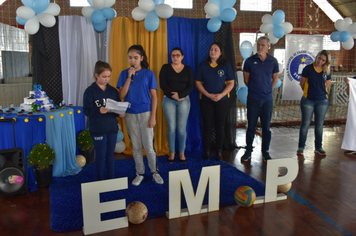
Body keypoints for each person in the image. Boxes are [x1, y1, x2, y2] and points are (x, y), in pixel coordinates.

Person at [117, 44, 163, 186]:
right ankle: (140, 173)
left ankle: (154, 171)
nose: (133, 60)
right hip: (130, 114)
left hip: (146, 113)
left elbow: (154, 96)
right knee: (136, 146)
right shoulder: (124, 73)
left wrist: (153, 116)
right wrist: (129, 78)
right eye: (130, 58)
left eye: (136, 58)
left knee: (149, 146)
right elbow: (122, 95)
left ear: (141, 58)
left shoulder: (149, 74)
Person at [83, 61, 124, 181]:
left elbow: (117, 108)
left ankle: (112, 179)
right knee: (100, 155)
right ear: (96, 75)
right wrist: (98, 110)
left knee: (110, 154)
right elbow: (86, 110)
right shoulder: (90, 91)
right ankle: (100, 180)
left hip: (112, 128)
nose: (107, 79)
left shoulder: (113, 91)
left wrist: (120, 113)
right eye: (104, 76)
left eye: (109, 76)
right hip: (98, 129)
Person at [241, 36, 279, 162]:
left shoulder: (273, 61)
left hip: (267, 100)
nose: (260, 47)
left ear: (268, 46)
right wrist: (255, 90)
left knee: (266, 128)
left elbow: (275, 79)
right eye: (258, 44)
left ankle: (265, 151)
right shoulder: (249, 61)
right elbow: (246, 80)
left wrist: (268, 90)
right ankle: (248, 151)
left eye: (263, 45)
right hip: (253, 99)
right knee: (251, 127)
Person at [195, 42, 234, 161]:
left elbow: (231, 83)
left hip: (222, 101)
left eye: (216, 49)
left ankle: (219, 151)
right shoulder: (203, 65)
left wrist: (221, 95)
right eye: (211, 49)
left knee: (220, 126)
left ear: (220, 52)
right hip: (206, 101)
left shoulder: (226, 65)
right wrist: (208, 95)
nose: (213, 51)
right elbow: (197, 83)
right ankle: (207, 151)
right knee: (207, 126)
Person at [159, 47, 194, 163]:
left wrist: (181, 95)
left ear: (182, 57)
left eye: (178, 55)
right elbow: (162, 84)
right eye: (173, 55)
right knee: (172, 127)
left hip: (184, 100)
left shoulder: (188, 69)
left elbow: (191, 86)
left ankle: (182, 153)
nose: (175, 57)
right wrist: (173, 95)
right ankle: (172, 152)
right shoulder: (165, 68)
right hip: (168, 100)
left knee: (181, 128)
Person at [297, 50, 331, 156]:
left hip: (322, 101)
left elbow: (327, 84)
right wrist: (309, 93)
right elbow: (302, 83)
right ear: (316, 57)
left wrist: (320, 94)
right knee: (305, 124)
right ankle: (301, 147)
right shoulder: (308, 69)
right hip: (308, 100)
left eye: (323, 60)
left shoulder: (327, 71)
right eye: (319, 58)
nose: (320, 61)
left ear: (326, 62)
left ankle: (318, 147)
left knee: (319, 125)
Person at [342, 76, 356, 155]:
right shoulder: (355, 78)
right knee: (354, 125)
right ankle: (353, 146)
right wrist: (349, 84)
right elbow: (348, 92)